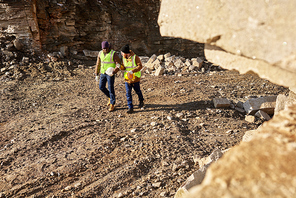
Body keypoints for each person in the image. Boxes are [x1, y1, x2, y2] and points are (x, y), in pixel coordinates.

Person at [95, 41, 121, 112]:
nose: (105, 50)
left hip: (110, 74)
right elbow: (98, 64)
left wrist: (115, 71)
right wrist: (96, 73)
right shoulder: (100, 53)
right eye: (104, 48)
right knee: (101, 87)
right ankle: (110, 97)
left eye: (106, 48)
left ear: (108, 47)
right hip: (103, 72)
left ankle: (112, 103)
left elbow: (118, 64)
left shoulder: (113, 53)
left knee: (110, 87)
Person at [120, 44, 145, 114]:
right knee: (128, 93)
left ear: (126, 53)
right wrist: (120, 67)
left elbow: (140, 66)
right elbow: (124, 67)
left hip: (135, 78)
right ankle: (130, 107)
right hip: (127, 79)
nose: (121, 54)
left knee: (137, 91)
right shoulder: (123, 58)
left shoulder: (135, 57)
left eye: (122, 53)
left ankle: (141, 100)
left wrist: (132, 71)